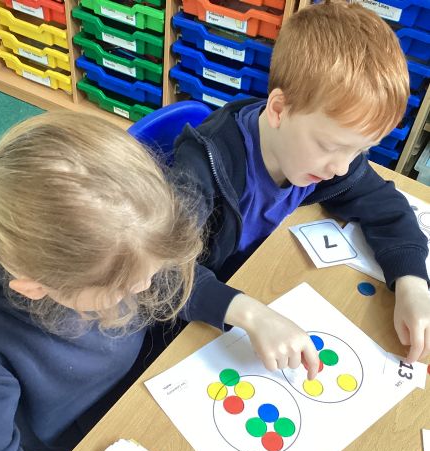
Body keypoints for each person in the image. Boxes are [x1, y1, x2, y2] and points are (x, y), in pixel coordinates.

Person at [0, 111, 228, 451]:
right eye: (123, 289)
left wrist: (239, 309)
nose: (145, 286)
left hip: (138, 391)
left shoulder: (114, 244)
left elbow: (159, 271)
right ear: (34, 288)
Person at [173, 0, 430, 368]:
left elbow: (386, 206)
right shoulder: (202, 165)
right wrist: (249, 313)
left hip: (261, 277)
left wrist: (412, 282)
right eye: (331, 147)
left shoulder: (320, 152)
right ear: (278, 110)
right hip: (194, 320)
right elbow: (160, 272)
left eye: (359, 151)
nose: (341, 168)